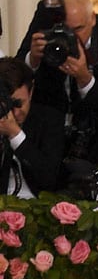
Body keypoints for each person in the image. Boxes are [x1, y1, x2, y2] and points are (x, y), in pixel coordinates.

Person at [15, 0, 98, 198]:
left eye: (78, 30)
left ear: (92, 19)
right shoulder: (45, 21)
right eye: (65, 29)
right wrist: (34, 57)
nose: (71, 38)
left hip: (93, 137)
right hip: (49, 128)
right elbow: (18, 71)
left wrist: (84, 77)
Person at [0, 56, 63, 198]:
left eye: (19, 104)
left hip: (36, 203)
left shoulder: (49, 119)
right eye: (8, 105)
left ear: (31, 91)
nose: (14, 113)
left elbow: (49, 179)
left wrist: (15, 135)